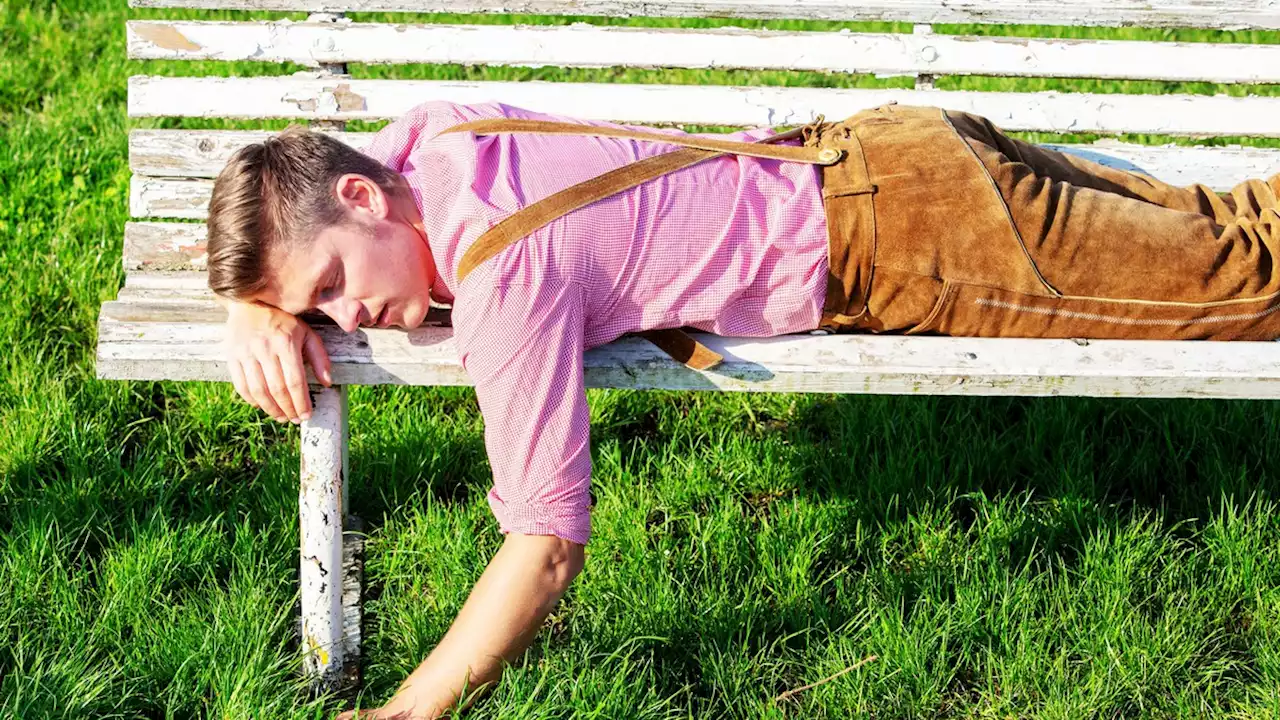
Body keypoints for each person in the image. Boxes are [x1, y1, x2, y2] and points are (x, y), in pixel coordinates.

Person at [205, 99, 1280, 719]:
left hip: (922, 244)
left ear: (360, 198)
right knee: (1224, 233)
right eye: (321, 312)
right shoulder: (435, 149)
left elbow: (544, 546)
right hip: (885, 150)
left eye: (335, 287)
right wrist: (254, 310)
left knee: (1257, 288)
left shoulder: (504, 280)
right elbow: (325, 153)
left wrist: (409, 710)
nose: (357, 319)